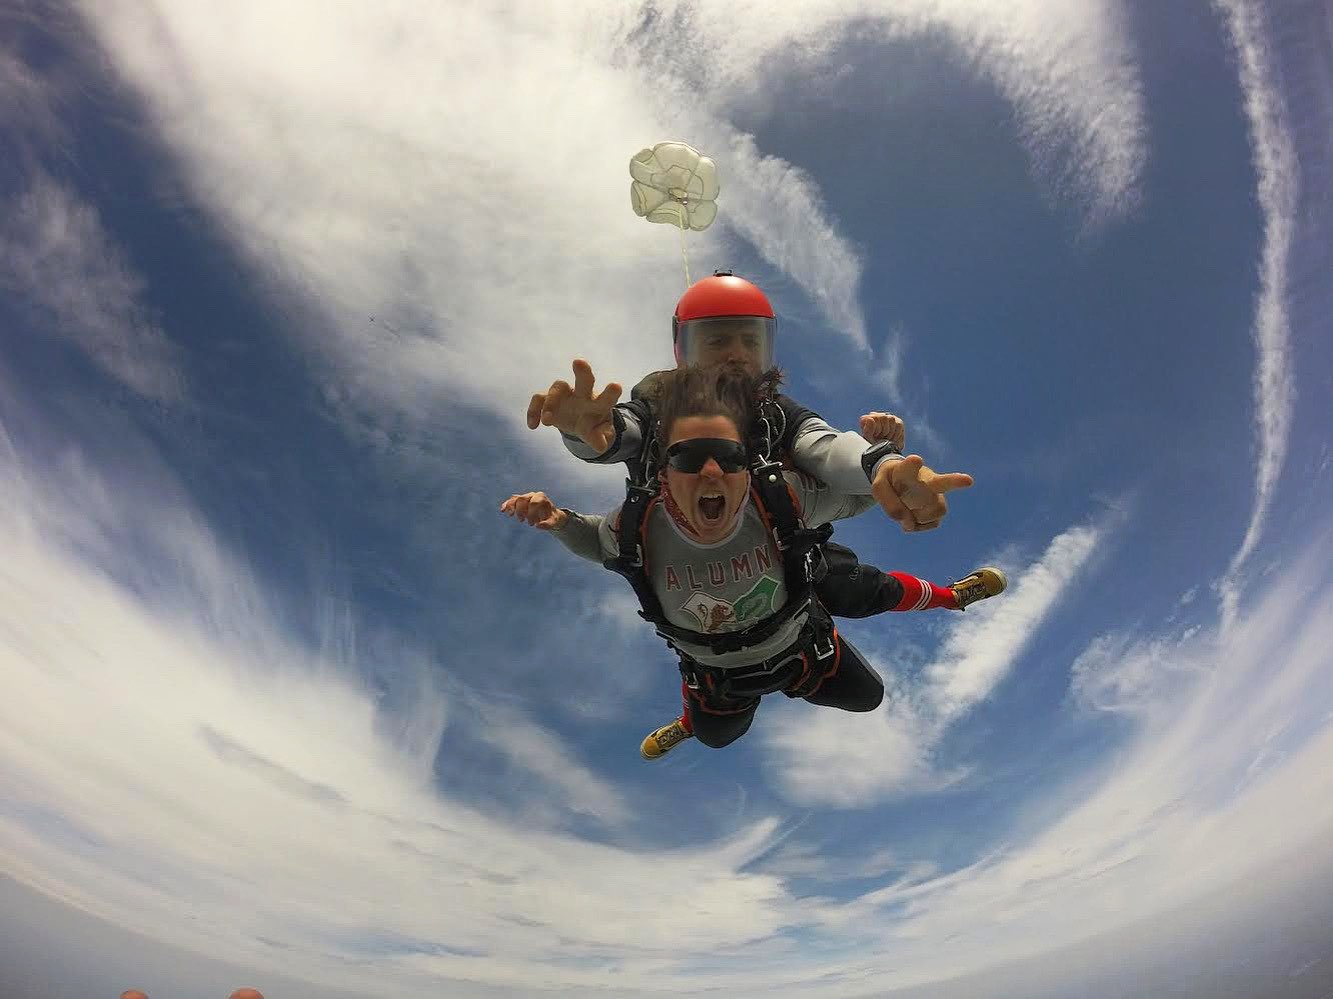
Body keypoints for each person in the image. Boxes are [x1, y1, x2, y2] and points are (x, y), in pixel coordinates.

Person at [503, 364, 1004, 753]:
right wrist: (559, 520)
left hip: (802, 649)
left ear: (749, 465)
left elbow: (861, 493)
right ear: (663, 472)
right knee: (715, 736)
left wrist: (888, 465)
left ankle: (951, 596)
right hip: (719, 680)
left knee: (865, 676)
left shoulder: (780, 496)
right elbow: (598, 541)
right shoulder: (637, 524)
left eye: (731, 456)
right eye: (688, 457)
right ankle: (690, 722)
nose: (712, 471)